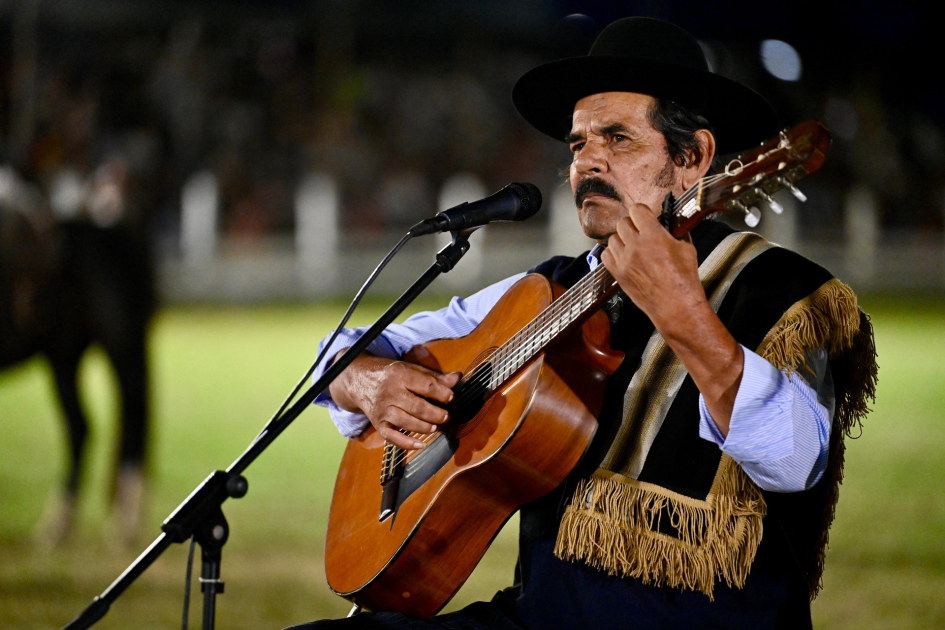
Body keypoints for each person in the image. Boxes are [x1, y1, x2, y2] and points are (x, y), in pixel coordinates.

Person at [290, 17, 877, 630]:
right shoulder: (547, 289)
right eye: (577, 145)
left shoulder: (780, 290)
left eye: (617, 139)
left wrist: (686, 320)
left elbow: (795, 460)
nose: (587, 162)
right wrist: (366, 382)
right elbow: (337, 355)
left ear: (693, 160)